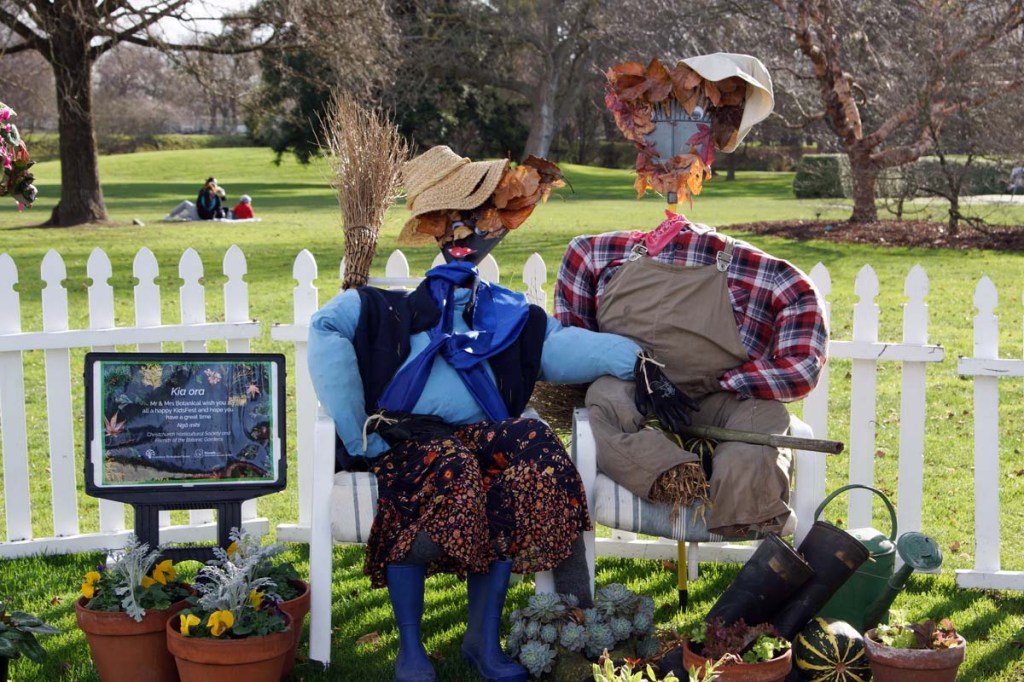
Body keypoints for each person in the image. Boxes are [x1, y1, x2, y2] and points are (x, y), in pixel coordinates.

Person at [308, 146, 688, 682]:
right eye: (454, 225)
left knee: (532, 454)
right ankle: (410, 648)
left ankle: (483, 641)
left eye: (480, 224)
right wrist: (360, 430)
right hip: (407, 442)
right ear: (437, 231)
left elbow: (565, 347)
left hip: (484, 435)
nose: (467, 238)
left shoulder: (511, 316)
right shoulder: (379, 309)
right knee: (454, 470)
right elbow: (324, 331)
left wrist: (638, 360)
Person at [553, 53, 829, 540]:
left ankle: (747, 523)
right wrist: (630, 372)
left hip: (719, 401)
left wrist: (735, 380)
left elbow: (803, 351)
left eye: (694, 119)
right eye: (654, 120)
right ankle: (674, 476)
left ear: (710, 140)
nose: (674, 136)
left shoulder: (752, 268)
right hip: (633, 400)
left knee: (767, 418)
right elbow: (570, 350)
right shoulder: (594, 255)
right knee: (598, 406)